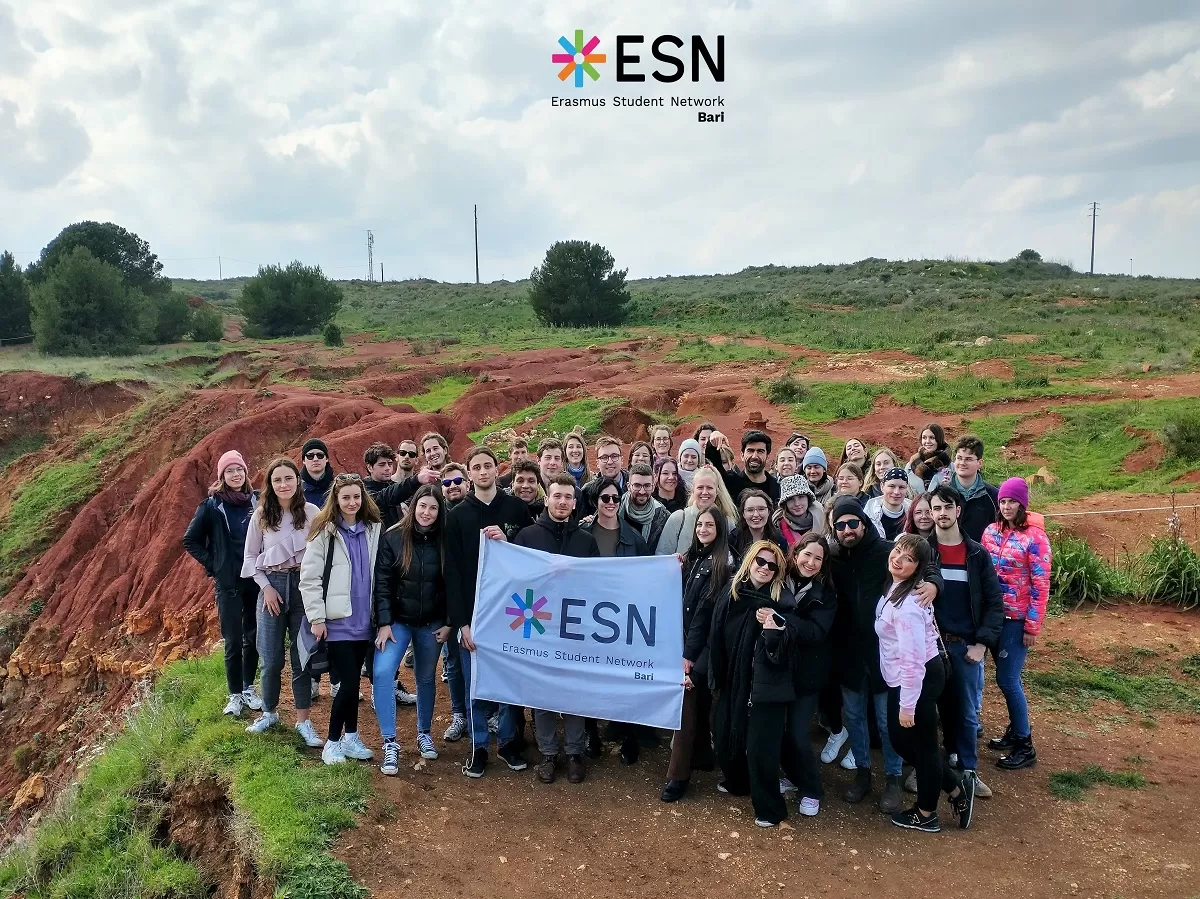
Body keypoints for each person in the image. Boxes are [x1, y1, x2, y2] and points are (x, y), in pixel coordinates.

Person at [827, 495, 942, 813]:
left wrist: (933, 584)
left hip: (884, 655)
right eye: (841, 525)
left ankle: (892, 778)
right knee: (853, 717)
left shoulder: (887, 551)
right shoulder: (833, 555)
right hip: (849, 653)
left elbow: (925, 565)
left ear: (864, 523)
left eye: (853, 523)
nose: (848, 529)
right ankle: (863, 773)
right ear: (834, 530)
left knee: (885, 720)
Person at [876, 534, 976, 832]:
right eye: (897, 551)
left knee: (921, 745)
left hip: (917, 677)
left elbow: (912, 660)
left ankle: (926, 812)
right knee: (907, 743)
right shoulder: (895, 587)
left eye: (908, 558)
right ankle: (957, 789)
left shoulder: (907, 605)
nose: (898, 559)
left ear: (918, 567)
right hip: (908, 677)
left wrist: (908, 706)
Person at [446, 446, 534, 777]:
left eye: (488, 466)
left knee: (508, 683)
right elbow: (451, 573)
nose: (483, 472)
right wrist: (461, 623)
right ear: (469, 474)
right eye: (476, 467)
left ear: (497, 470)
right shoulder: (456, 516)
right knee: (476, 683)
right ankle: (480, 746)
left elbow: (529, 559)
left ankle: (509, 742)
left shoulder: (515, 509)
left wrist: (507, 538)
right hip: (474, 616)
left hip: (512, 614)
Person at [514, 473, 601, 783]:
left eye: (568, 497)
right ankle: (549, 753)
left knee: (575, 691)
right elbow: (515, 579)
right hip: (539, 626)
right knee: (543, 691)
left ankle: (575, 752)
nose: (562, 502)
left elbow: (595, 586)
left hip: (575, 628)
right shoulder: (526, 537)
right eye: (557, 496)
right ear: (547, 499)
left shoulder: (586, 540)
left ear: (574, 503)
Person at [708, 540, 801, 827]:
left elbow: (787, 648)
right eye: (760, 561)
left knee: (762, 750)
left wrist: (775, 628)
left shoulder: (782, 603)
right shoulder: (731, 593)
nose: (765, 568)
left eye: (772, 566)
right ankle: (738, 783)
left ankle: (771, 810)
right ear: (750, 562)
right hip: (733, 682)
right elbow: (716, 633)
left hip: (765, 690)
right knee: (724, 736)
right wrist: (716, 675)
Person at [926, 484, 1003, 799]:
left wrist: (982, 643)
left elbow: (994, 603)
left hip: (965, 646)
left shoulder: (976, 554)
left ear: (958, 511)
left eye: (947, 507)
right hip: (931, 646)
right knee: (928, 711)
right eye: (936, 508)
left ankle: (969, 771)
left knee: (968, 712)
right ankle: (931, 770)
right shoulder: (923, 551)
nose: (941, 514)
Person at [301, 473, 383, 765]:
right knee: (348, 684)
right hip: (337, 622)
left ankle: (351, 738)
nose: (351, 502)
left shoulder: (373, 529)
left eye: (356, 497)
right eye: (345, 497)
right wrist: (317, 617)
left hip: (365, 620)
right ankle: (332, 742)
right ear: (335, 500)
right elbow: (309, 578)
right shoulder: (325, 531)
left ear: (363, 498)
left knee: (351, 683)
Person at [372, 484, 451, 775]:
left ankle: (424, 733)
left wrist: (449, 621)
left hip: (432, 622)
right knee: (382, 672)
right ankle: (389, 742)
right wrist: (383, 623)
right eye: (422, 506)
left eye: (433, 507)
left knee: (425, 676)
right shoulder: (393, 537)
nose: (427, 513)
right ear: (413, 506)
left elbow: (452, 584)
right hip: (398, 622)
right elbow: (382, 583)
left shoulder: (446, 540)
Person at [241, 458, 322, 743]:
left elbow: (323, 552)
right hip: (271, 588)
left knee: (302, 657)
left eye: (289, 478)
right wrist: (267, 588)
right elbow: (250, 558)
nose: (284, 484)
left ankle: (303, 721)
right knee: (271, 658)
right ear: (270, 485)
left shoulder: (312, 512)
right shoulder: (261, 515)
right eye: (277, 480)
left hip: (304, 586)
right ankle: (269, 712)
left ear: (297, 481)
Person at [183, 450, 262, 717]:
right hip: (228, 582)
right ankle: (234, 694)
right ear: (222, 476)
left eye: (239, 469)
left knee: (253, 637)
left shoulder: (258, 501)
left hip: (257, 578)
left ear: (245, 472)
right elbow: (190, 540)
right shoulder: (211, 506)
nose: (236, 474)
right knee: (233, 639)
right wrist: (214, 564)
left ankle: (249, 687)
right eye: (230, 471)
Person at [982, 477, 1051, 771]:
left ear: (1023, 504)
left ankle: (1025, 744)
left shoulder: (1035, 538)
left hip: (1016, 618)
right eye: (1004, 501)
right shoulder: (990, 532)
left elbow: (1041, 584)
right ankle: (1014, 731)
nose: (1007, 506)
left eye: (1013, 501)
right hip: (994, 616)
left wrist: (1032, 625)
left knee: (1007, 680)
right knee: (1007, 678)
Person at [662, 508, 731, 802]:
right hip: (690, 641)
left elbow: (704, 612)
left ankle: (678, 776)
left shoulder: (723, 563)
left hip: (705, 646)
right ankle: (702, 754)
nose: (703, 529)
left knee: (687, 703)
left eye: (709, 524)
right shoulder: (696, 558)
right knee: (700, 700)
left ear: (720, 529)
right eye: (699, 524)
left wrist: (688, 655)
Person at [583, 476, 653, 764]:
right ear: (596, 501)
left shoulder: (634, 538)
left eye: (615, 498)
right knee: (588, 679)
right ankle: (591, 734)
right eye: (605, 498)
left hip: (622, 621)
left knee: (624, 680)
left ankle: (629, 737)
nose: (610, 503)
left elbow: (649, 577)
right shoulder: (583, 534)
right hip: (587, 619)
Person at [780, 534, 838, 817]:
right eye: (807, 555)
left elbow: (816, 632)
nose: (811, 562)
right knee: (782, 731)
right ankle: (793, 776)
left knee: (799, 734)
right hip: (779, 669)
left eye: (819, 558)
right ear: (795, 553)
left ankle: (812, 789)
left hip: (808, 674)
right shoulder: (778, 579)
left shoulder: (825, 593)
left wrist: (781, 620)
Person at [655, 466, 737, 556]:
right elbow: (662, 555)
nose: (705, 492)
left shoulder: (727, 522)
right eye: (700, 487)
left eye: (709, 488)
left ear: (717, 491)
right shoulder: (678, 519)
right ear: (693, 490)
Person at [931, 435, 998, 543]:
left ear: (979, 463)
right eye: (959, 458)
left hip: (981, 555)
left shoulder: (992, 495)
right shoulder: (941, 494)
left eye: (968, 459)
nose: (962, 463)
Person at [705, 428, 781, 505]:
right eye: (750, 451)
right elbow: (714, 463)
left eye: (760, 451)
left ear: (767, 456)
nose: (754, 456)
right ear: (742, 455)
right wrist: (713, 439)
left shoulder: (777, 488)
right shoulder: (730, 482)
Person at [620, 463, 670, 551]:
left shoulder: (662, 516)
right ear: (628, 486)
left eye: (647, 486)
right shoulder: (614, 507)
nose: (642, 491)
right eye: (637, 485)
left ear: (653, 487)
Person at [772, 475, 826, 549]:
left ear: (808, 498)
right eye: (791, 499)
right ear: (785, 503)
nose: (797, 504)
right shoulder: (777, 525)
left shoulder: (823, 518)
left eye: (801, 497)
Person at [730, 488, 784, 560]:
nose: (756, 514)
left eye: (761, 509)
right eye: (750, 510)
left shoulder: (779, 540)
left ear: (769, 511)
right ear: (743, 514)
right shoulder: (733, 540)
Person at [581, 436, 627, 517]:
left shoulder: (634, 486)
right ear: (597, 463)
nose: (609, 462)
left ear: (622, 460)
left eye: (614, 456)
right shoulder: (587, 491)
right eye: (604, 457)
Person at [864, 468, 914, 541]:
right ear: (882, 486)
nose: (896, 492)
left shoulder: (913, 514)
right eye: (892, 486)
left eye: (901, 487)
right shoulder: (869, 516)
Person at [362, 443, 402, 529]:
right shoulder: (364, 491)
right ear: (370, 468)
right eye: (382, 465)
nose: (387, 468)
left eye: (390, 464)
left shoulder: (394, 486)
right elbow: (384, 497)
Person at [908, 424, 951, 490]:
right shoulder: (912, 464)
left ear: (939, 439)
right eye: (924, 438)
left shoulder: (950, 466)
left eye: (932, 438)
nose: (927, 441)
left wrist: (948, 486)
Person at [300, 438, 335, 507]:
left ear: (327, 459)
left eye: (320, 455)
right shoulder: (296, 489)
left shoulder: (336, 487)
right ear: (303, 460)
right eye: (310, 456)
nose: (315, 459)